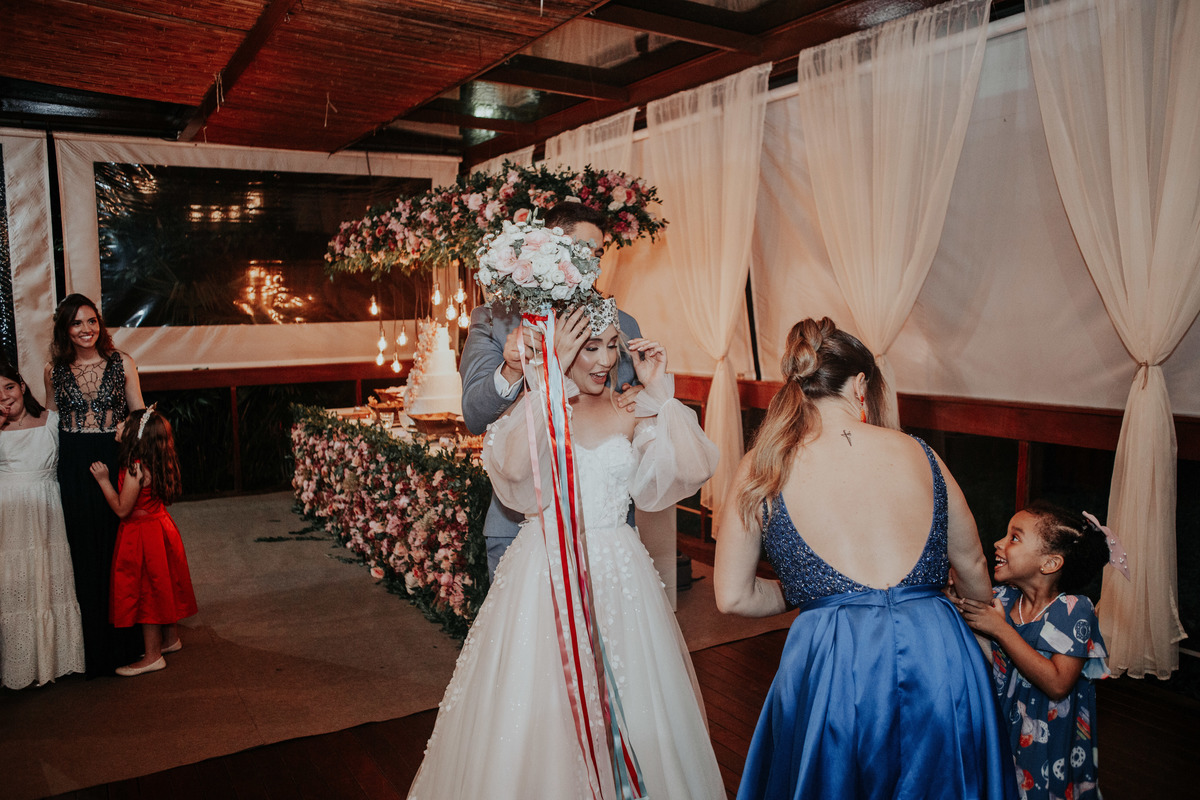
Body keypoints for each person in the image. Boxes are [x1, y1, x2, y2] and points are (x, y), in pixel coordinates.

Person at [408, 304, 725, 799]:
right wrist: (546, 383)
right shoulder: (540, 410)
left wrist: (661, 393)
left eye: (612, 346)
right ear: (564, 349)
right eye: (590, 347)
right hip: (545, 571)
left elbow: (690, 468)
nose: (606, 360)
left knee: (633, 694)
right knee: (540, 701)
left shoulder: (630, 408)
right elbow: (513, 474)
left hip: (619, 575)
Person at [714, 317, 1016, 800]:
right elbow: (973, 565)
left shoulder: (764, 465)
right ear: (859, 385)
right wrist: (983, 631)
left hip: (836, 659)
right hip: (937, 649)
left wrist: (811, 591)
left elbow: (733, 596)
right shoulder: (921, 453)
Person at [459, 203, 643, 577]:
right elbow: (474, 416)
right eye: (583, 252)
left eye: (598, 254)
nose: (593, 265)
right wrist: (513, 369)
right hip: (520, 527)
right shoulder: (496, 321)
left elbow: (633, 410)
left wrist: (643, 395)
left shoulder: (621, 323)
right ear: (547, 248)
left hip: (604, 535)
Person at [954, 503, 1112, 800]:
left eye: (1014, 537)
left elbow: (1058, 683)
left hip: (1046, 737)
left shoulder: (1073, 610)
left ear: (1050, 563)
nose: (998, 543)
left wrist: (1001, 629)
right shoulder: (1002, 598)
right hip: (1001, 722)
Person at [44, 293, 145, 676]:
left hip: (112, 456)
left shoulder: (122, 363)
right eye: (76, 323)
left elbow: (139, 413)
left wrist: (135, 452)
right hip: (73, 465)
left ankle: (126, 643)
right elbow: (51, 422)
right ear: (65, 329)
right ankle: (89, 649)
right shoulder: (53, 370)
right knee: (82, 550)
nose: (86, 329)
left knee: (116, 550)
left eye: (91, 321)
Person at [89, 406, 197, 677]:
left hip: (143, 535)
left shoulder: (135, 468)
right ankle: (170, 639)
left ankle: (152, 656)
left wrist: (103, 481)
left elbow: (122, 509)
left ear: (135, 435)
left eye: (124, 423)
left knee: (148, 593)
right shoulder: (154, 460)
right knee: (162, 585)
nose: (117, 425)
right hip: (160, 527)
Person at [0, 362, 86, 689]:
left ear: (22, 386)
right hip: (9, 515)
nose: (4, 396)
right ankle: (18, 664)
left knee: (49, 579)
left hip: (47, 511)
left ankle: (56, 658)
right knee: (15, 584)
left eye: (9, 386)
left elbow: (53, 393)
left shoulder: (50, 420)